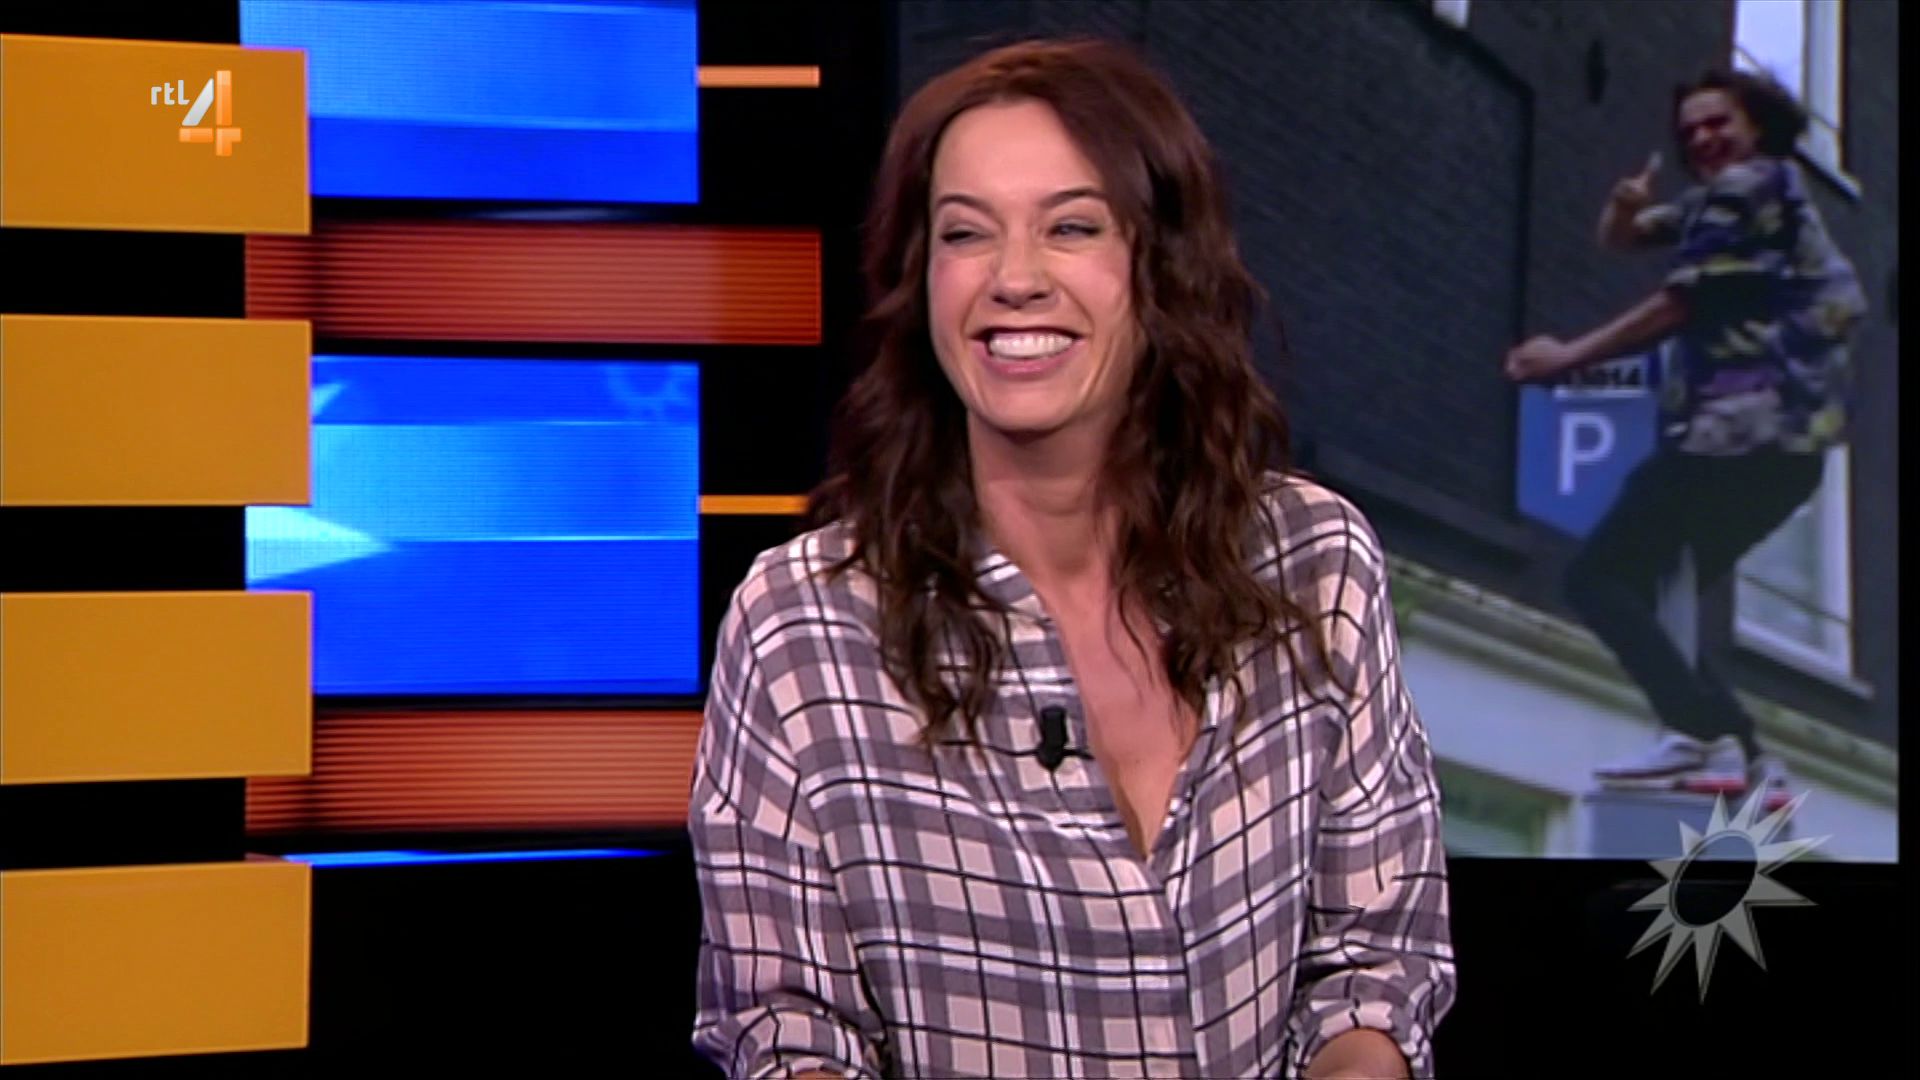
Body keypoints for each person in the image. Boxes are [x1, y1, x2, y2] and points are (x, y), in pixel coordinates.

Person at [690, 37, 1455, 1080]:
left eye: (1071, 227)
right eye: (967, 233)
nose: (1014, 279)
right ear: (922, 279)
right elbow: (787, 1028)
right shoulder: (800, 626)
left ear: (1160, 264)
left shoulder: (1316, 565)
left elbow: (1371, 967)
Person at [1504, 68, 1867, 808]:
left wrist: (1565, 358)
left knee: (1598, 578)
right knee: (1658, 598)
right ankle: (1748, 761)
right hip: (1787, 452)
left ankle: (1699, 734)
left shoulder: (1746, 188)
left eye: (1718, 122)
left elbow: (1680, 304)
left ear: (1757, 126)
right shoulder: (1728, 200)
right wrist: (1624, 207)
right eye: (1690, 129)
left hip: (1737, 433)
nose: (1702, 138)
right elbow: (1628, 238)